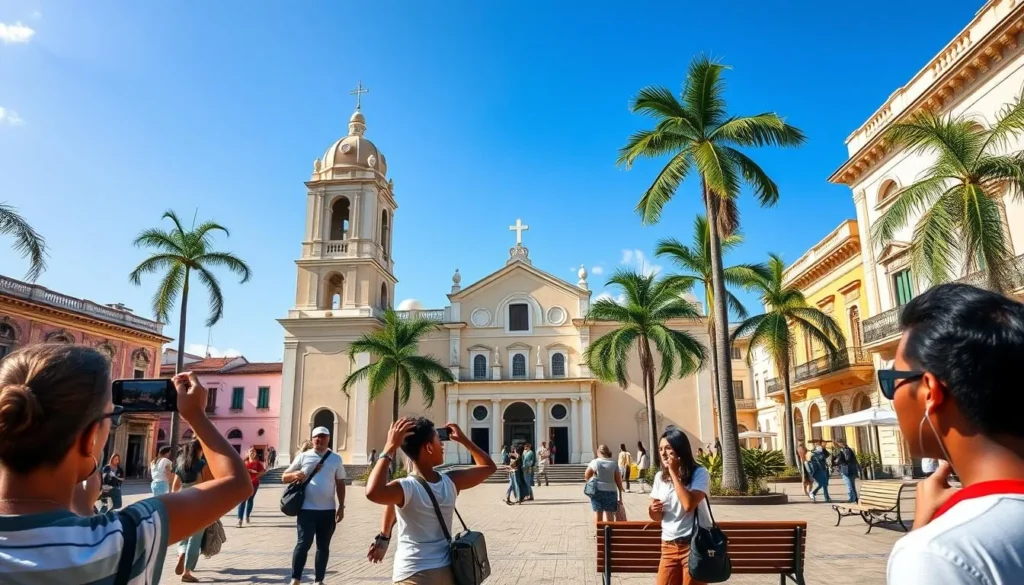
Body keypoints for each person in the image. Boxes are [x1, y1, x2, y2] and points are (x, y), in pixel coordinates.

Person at [0, 344, 251, 583]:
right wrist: (196, 415)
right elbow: (237, 483)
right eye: (112, 416)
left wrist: (82, 508)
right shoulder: (125, 537)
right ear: (90, 438)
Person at [881, 284, 1024, 584]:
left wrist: (922, 533)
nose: (892, 396)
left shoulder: (939, 554)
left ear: (930, 391)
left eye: (892, 379)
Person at [365, 417, 496, 584]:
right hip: (447, 572)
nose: (442, 445)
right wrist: (463, 439)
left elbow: (373, 492)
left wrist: (390, 447)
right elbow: (488, 467)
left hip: (413, 572)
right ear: (428, 447)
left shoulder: (404, 488)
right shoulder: (451, 482)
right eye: (437, 440)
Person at [283, 426, 347, 585]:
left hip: (328, 511)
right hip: (306, 510)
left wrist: (342, 506)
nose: (320, 439)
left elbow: (340, 483)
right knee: (303, 543)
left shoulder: (336, 458)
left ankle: (319, 580)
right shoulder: (304, 457)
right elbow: (284, 477)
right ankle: (295, 578)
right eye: (316, 437)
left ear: (328, 438)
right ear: (312, 439)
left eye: (323, 437)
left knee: (323, 546)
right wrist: (295, 475)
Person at [648, 427, 712, 585]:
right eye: (661, 449)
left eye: (668, 448)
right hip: (668, 545)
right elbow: (656, 517)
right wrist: (652, 511)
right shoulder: (659, 477)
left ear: (680, 449)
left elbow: (688, 505)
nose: (663, 453)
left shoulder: (699, 473)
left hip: (694, 545)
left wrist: (673, 473)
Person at [172, 439, 213, 582]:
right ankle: (187, 572)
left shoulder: (180, 464)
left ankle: (181, 552)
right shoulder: (202, 465)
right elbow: (209, 484)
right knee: (195, 539)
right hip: (198, 502)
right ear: (198, 450)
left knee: (184, 534)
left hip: (182, 501)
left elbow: (174, 487)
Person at [585, 444, 624, 522]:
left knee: (598, 512)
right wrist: (620, 495)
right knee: (609, 512)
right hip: (611, 491)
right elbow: (618, 480)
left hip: (598, 490)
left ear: (598, 452)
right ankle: (610, 531)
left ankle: (599, 532)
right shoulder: (614, 463)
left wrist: (592, 480)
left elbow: (586, 475)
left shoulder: (595, 462)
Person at [237, 446, 265, 527]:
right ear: (248, 453)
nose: (252, 453)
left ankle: (247, 515)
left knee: (250, 499)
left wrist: (256, 475)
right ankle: (240, 519)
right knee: (242, 500)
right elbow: (239, 471)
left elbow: (263, 472)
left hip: (254, 483)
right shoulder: (244, 462)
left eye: (254, 451)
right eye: (251, 451)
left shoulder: (257, 463)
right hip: (244, 484)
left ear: (255, 453)